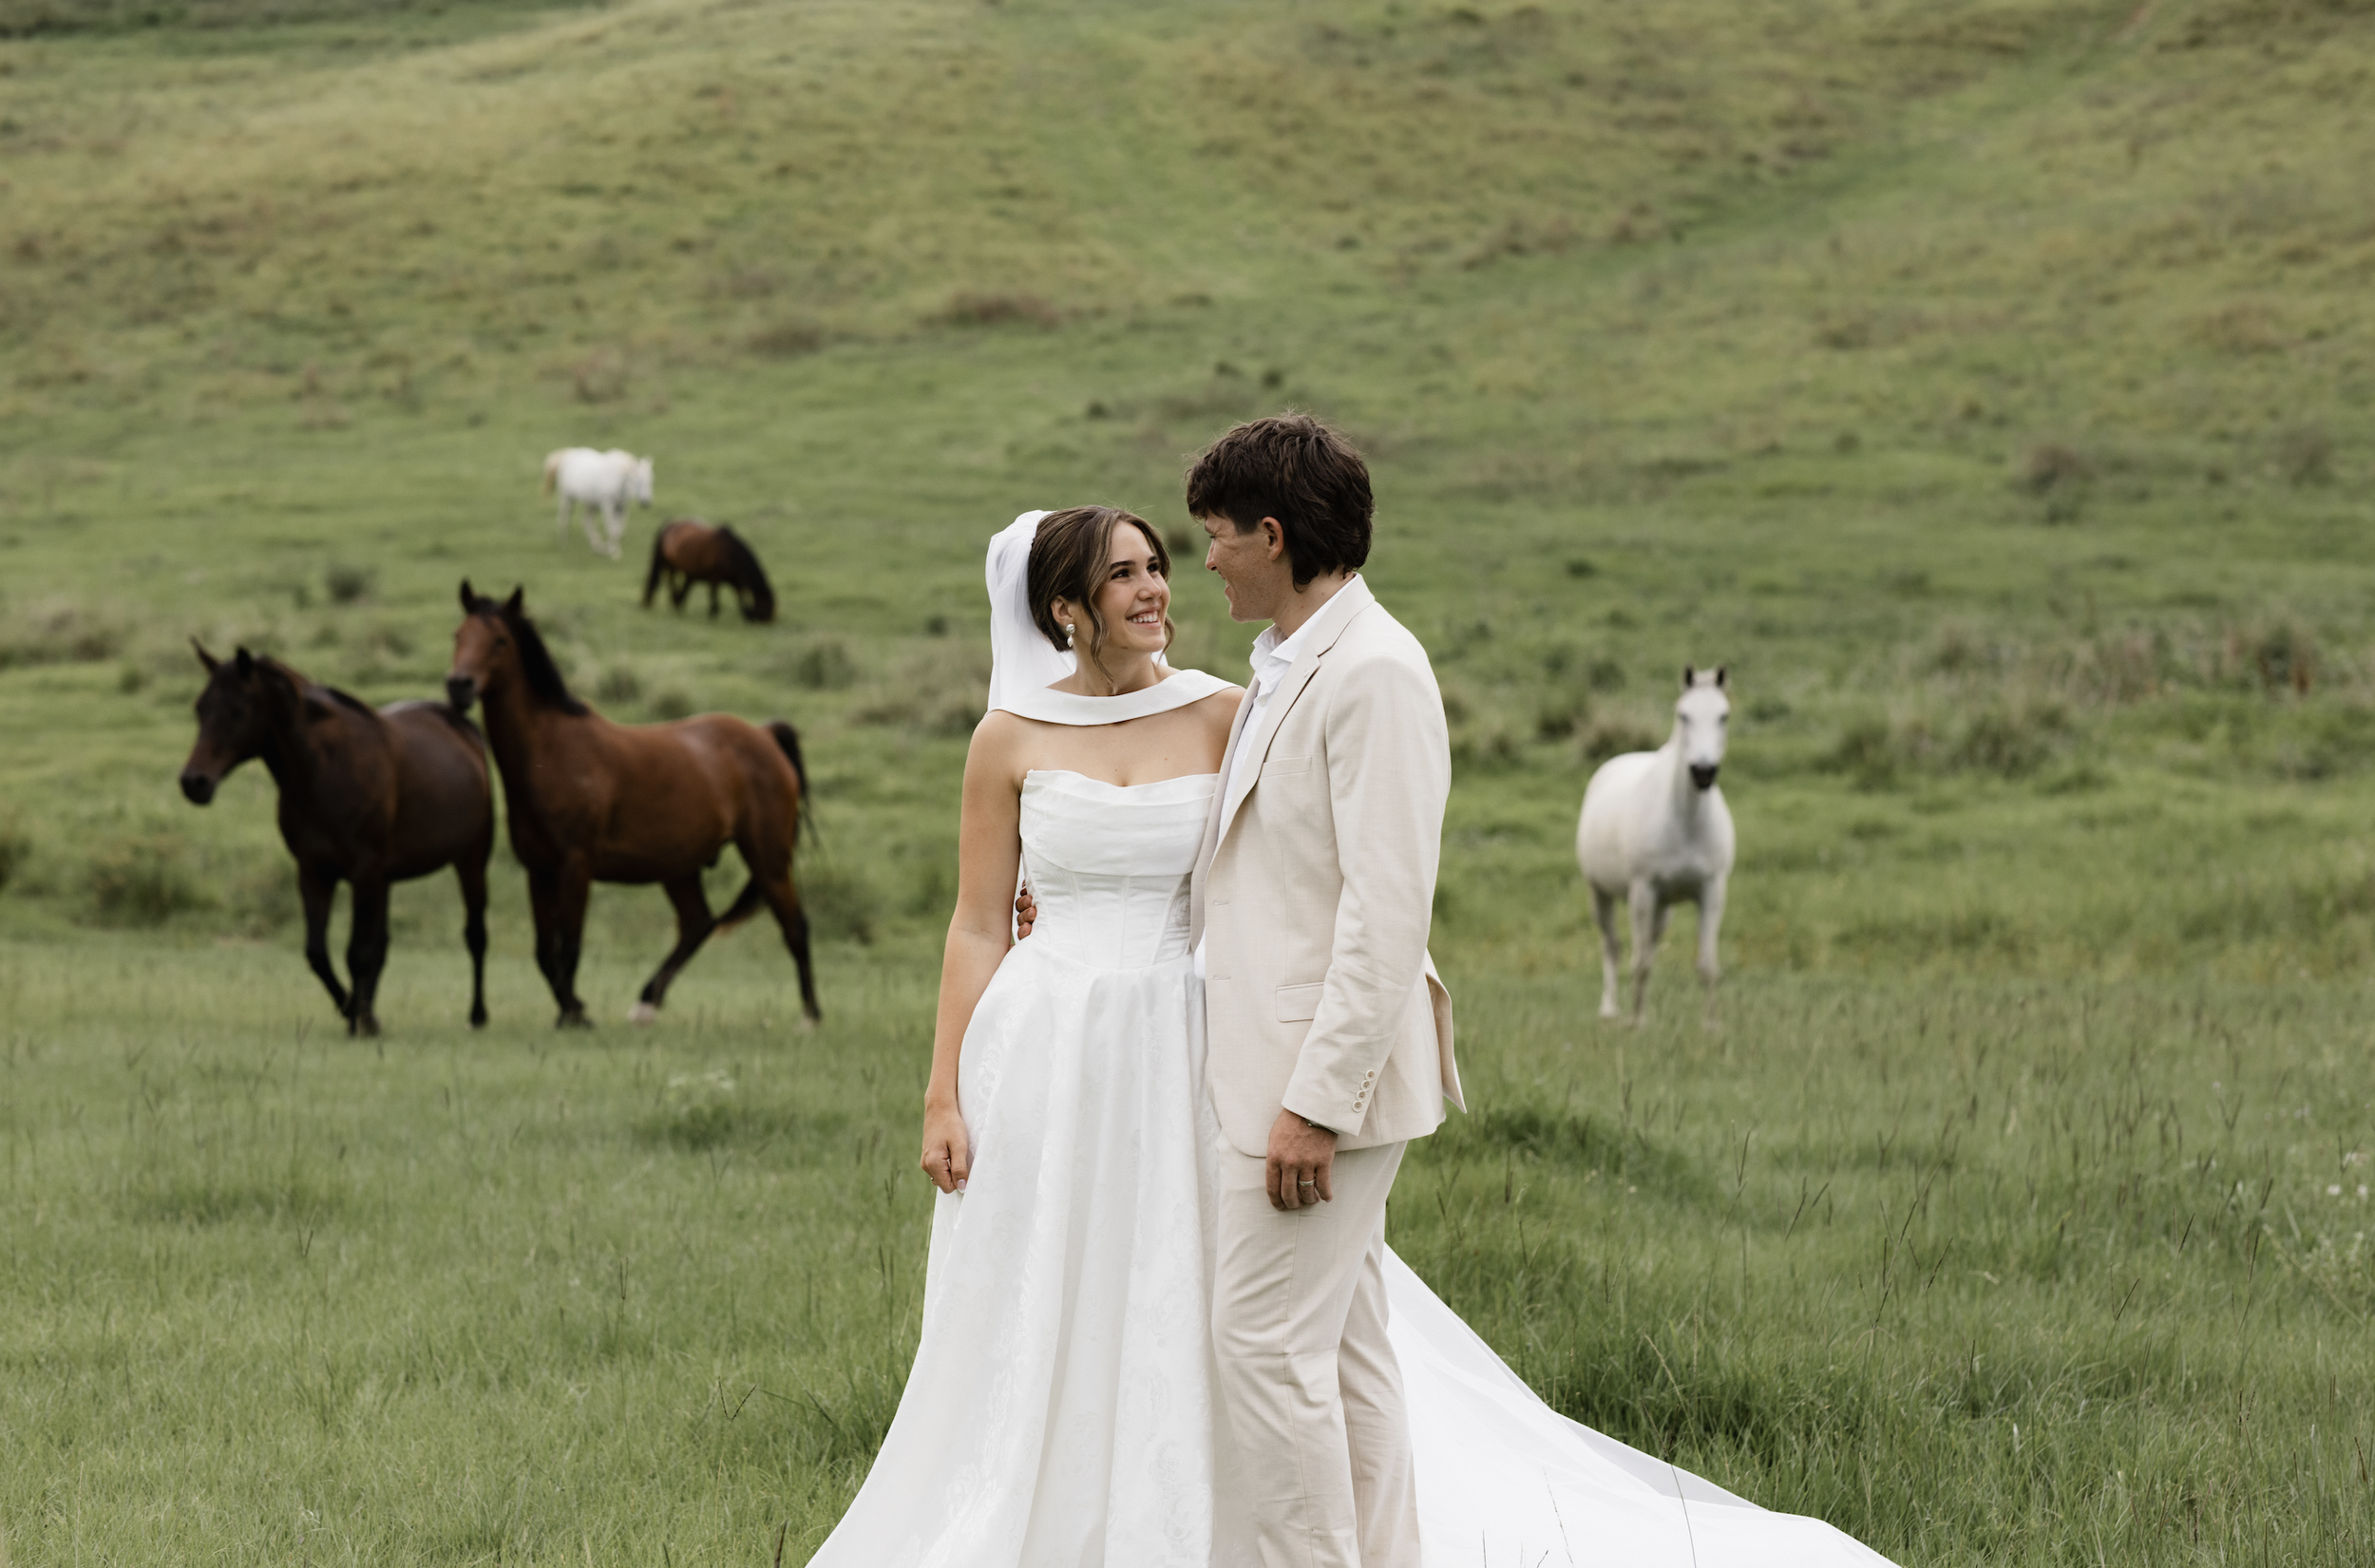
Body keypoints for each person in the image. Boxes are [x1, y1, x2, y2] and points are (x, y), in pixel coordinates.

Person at [806, 422, 1901, 1568]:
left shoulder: (1288, 688)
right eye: (1127, 569)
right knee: (1332, 1351)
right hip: (1075, 1049)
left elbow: (1377, 908)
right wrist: (998, 1008)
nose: (1179, 574)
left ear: (1271, 538)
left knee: (1261, 1343)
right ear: (1063, 610)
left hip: (1225, 1054)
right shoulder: (1193, 691)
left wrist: (1313, 1096)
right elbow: (1003, 908)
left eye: (1191, 550)